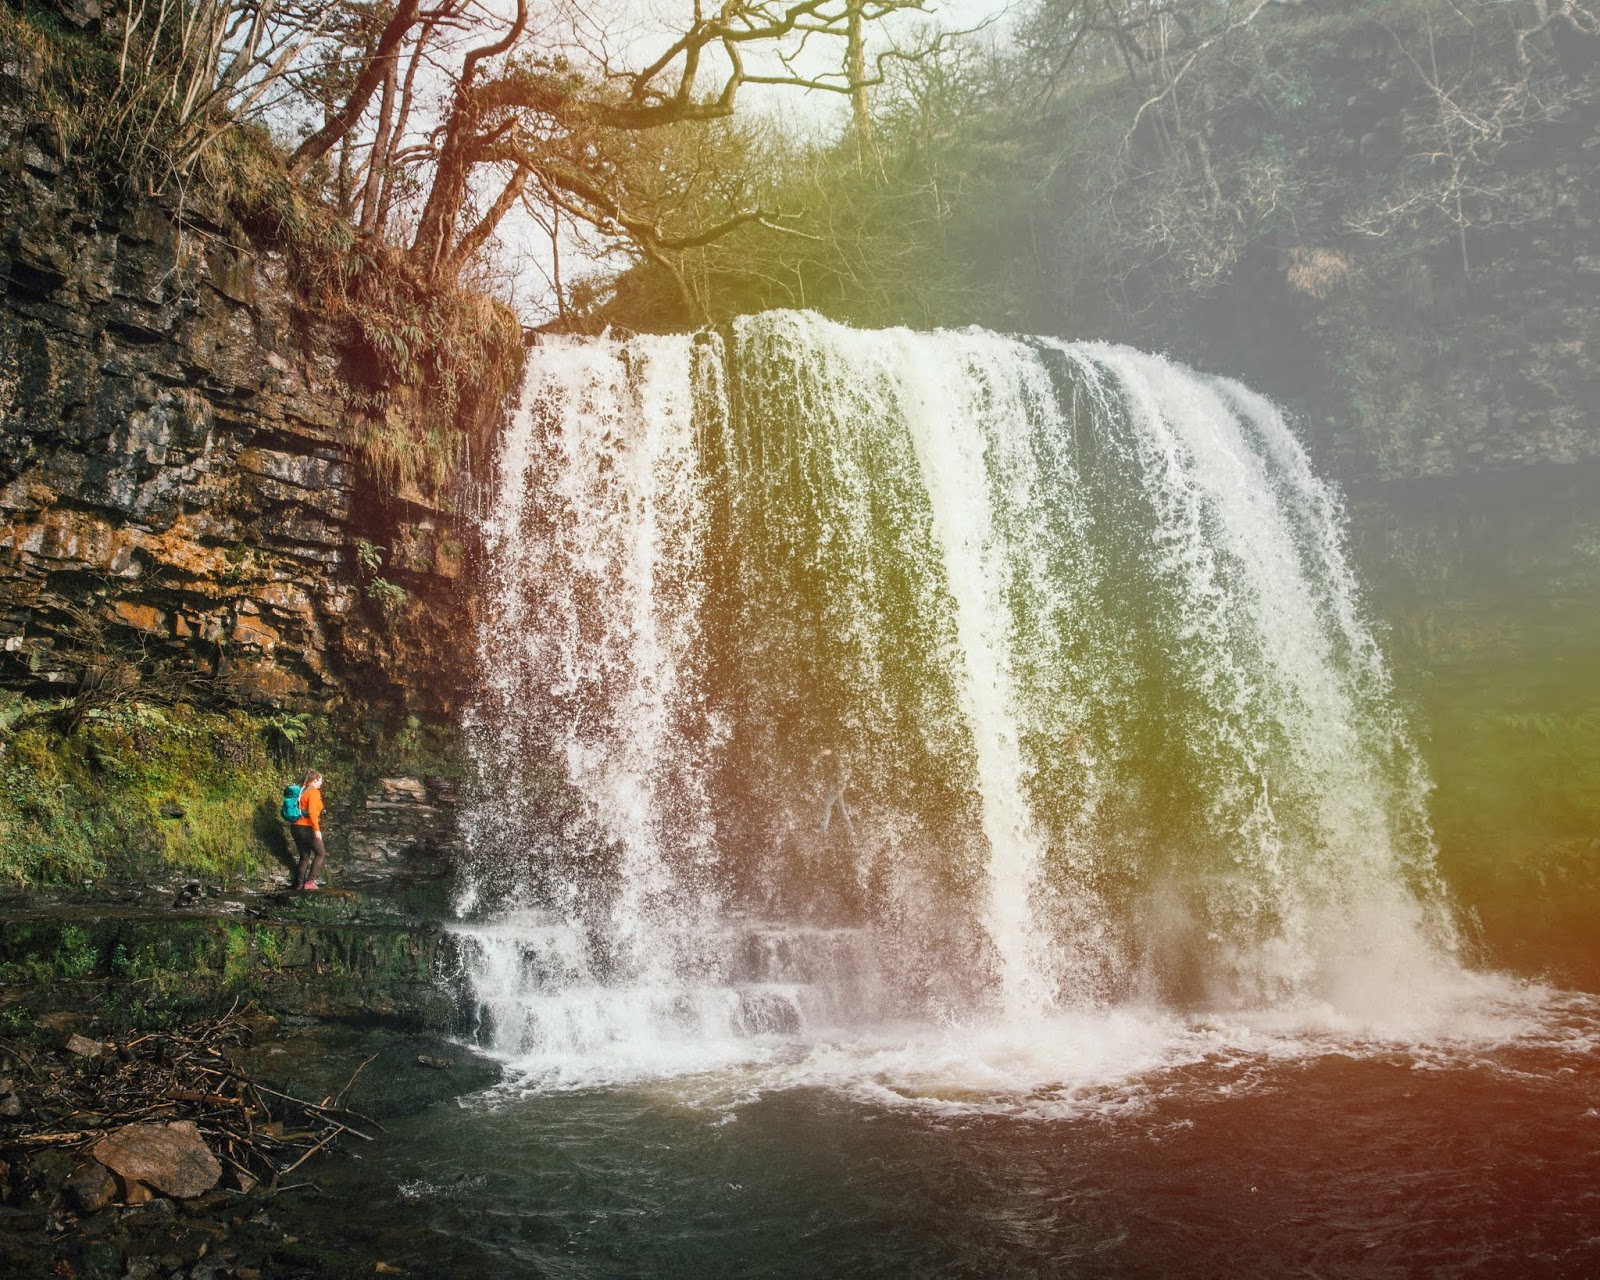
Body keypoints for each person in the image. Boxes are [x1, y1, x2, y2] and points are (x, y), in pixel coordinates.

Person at [291, 769, 327, 890]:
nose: (321, 783)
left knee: (304, 857)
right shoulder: (313, 792)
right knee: (321, 853)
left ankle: (299, 884)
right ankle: (310, 882)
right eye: (321, 780)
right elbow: (312, 812)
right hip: (307, 827)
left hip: (296, 827)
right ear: (315, 779)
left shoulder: (302, 791)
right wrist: (316, 830)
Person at [815, 747, 855, 837]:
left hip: (838, 786)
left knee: (826, 803)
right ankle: (851, 829)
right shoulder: (829, 758)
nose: (819, 755)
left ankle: (824, 826)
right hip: (836, 786)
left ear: (825, 750)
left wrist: (839, 788)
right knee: (842, 808)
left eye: (820, 752)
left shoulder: (834, 758)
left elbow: (839, 772)